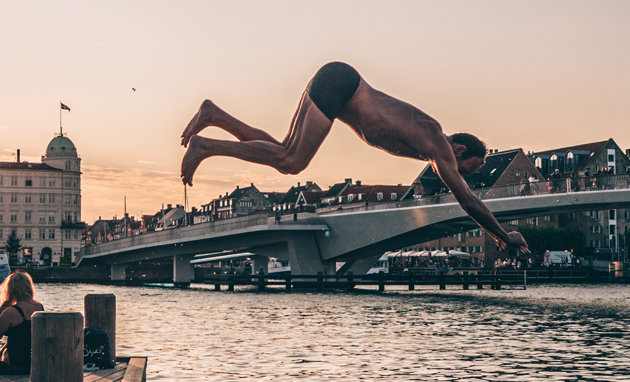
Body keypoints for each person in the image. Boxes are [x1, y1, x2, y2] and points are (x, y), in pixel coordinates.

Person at [180, 61, 531, 256]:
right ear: (459, 150)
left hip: (339, 82)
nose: (468, 174)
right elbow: (467, 201)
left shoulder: (431, 143)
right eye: (475, 166)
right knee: (291, 161)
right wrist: (502, 234)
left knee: (284, 151)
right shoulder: (439, 144)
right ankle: (206, 147)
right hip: (342, 85)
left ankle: (215, 115)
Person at [0, 271, 43, 374]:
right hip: (34, 360)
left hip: (16, 361)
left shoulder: (11, 312)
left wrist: (0, 310)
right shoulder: (39, 307)